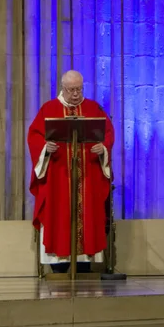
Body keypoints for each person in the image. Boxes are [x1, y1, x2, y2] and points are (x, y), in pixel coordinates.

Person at [27, 70, 114, 273]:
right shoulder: (49, 109)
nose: (75, 94)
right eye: (71, 90)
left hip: (88, 176)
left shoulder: (93, 108)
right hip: (59, 176)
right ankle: (59, 265)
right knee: (59, 216)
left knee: (88, 217)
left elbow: (108, 133)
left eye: (79, 89)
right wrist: (44, 148)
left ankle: (84, 264)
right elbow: (34, 136)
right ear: (63, 88)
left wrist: (103, 148)